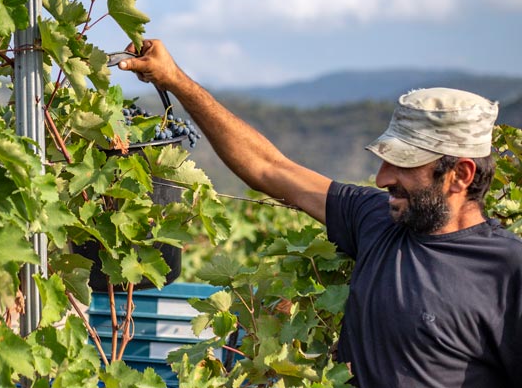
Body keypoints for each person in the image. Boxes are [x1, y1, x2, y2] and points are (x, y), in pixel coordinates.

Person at [119, 39, 522, 387]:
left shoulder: (508, 273)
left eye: (403, 163)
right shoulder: (375, 221)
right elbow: (269, 168)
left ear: (460, 175)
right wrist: (174, 79)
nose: (382, 179)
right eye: (385, 161)